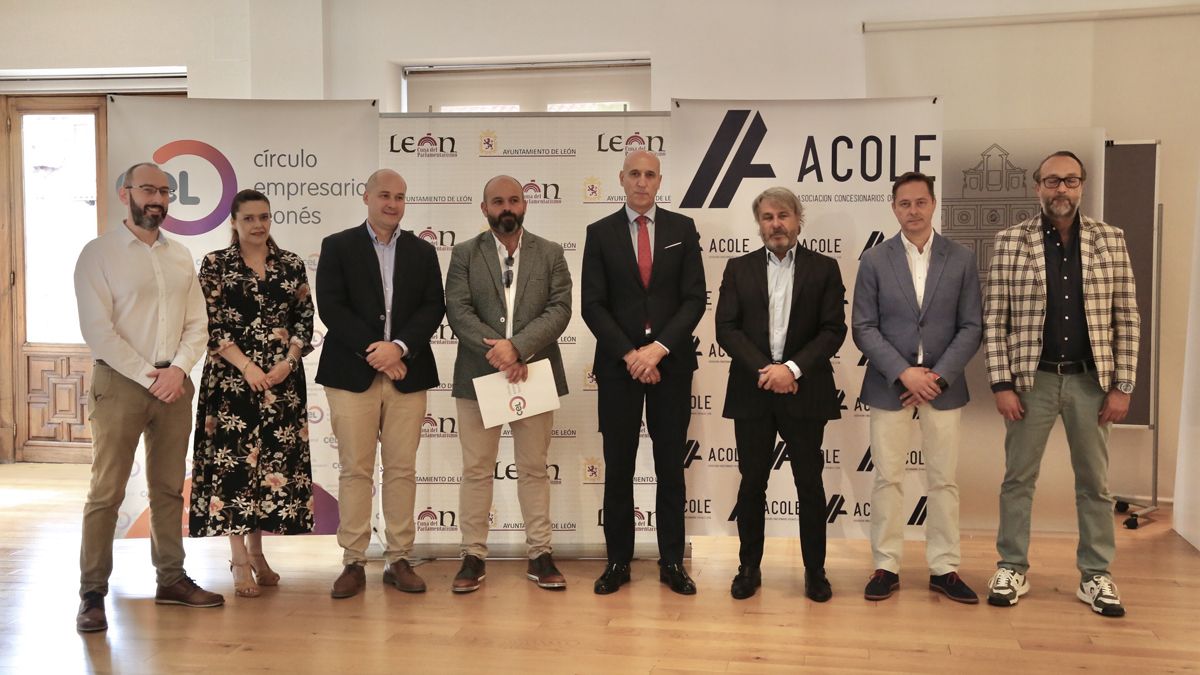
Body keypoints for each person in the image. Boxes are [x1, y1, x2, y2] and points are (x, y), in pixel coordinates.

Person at [984, 150, 1139, 617]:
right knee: (1018, 480)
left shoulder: (1110, 240)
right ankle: (1012, 566)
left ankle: (1096, 575)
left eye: (1070, 181)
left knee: (1095, 484)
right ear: (1037, 187)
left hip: (1091, 382)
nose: (1061, 190)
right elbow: (995, 318)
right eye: (1052, 181)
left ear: (1082, 186)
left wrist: (1123, 385)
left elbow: (1125, 316)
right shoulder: (1011, 241)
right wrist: (1001, 383)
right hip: (1032, 380)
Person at [73, 162, 224, 632]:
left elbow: (198, 323)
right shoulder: (97, 253)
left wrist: (178, 369)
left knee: (167, 487)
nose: (156, 198)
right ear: (126, 194)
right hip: (120, 383)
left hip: (174, 386)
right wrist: (148, 374)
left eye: (164, 191)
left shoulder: (180, 255)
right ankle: (93, 592)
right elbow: (98, 331)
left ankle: (171, 580)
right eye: (147, 189)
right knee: (107, 491)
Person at [852, 172, 982, 604]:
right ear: (893, 208)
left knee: (943, 480)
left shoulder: (961, 258)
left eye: (920, 202)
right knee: (888, 478)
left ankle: (944, 567)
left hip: (944, 387)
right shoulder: (874, 260)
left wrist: (936, 377)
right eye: (904, 203)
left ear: (933, 204)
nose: (913, 210)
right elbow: (864, 327)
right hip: (891, 385)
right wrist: (904, 374)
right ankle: (885, 565)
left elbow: (971, 327)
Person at [315, 169, 445, 599]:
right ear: (366, 197)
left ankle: (399, 558)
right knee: (355, 469)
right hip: (352, 372)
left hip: (408, 373)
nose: (393, 203)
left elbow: (433, 306)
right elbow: (331, 306)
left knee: (402, 470)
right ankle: (354, 560)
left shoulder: (423, 252)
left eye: (400, 197)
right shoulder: (337, 246)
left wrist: (400, 348)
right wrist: (377, 351)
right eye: (385, 195)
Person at [582, 150, 706, 595]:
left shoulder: (682, 229)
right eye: (634, 173)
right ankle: (617, 561)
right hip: (619, 369)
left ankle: (672, 560)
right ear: (621, 179)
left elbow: (695, 298)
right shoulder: (599, 233)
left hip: (670, 365)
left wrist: (657, 350)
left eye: (649, 174)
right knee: (619, 468)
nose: (641, 181)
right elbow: (592, 304)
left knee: (670, 467)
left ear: (659, 180)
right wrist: (632, 355)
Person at [714, 187, 846, 601]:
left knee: (809, 484)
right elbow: (726, 328)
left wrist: (790, 369)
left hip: (804, 390)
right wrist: (766, 370)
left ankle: (816, 572)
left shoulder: (825, 268)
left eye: (784, 215)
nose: (776, 224)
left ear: (798, 219)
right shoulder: (738, 268)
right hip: (753, 390)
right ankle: (749, 568)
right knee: (752, 484)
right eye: (768, 217)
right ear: (759, 224)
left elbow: (833, 330)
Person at [444, 175, 572, 592]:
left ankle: (540, 553)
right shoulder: (464, 253)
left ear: (525, 205)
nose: (507, 208)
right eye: (497, 201)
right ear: (484, 208)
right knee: (476, 470)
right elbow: (458, 309)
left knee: (534, 469)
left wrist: (518, 349)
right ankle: (472, 556)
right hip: (479, 376)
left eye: (514, 200)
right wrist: (497, 352)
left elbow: (560, 309)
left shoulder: (551, 253)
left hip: (532, 372)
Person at [188, 189, 315, 598]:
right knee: (235, 470)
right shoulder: (215, 265)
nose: (258, 225)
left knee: (270, 473)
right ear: (234, 222)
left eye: (264, 217)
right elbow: (211, 323)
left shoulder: (291, 264)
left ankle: (259, 555)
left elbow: (304, 318)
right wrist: (248, 367)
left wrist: (288, 362)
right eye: (249, 219)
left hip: (281, 386)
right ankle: (239, 559)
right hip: (231, 384)